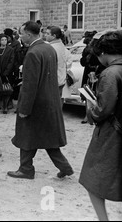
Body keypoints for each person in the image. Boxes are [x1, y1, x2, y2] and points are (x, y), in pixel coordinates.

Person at [7, 21, 74, 180]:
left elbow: (30, 85)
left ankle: (26, 169)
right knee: (47, 138)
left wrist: (24, 108)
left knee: (26, 136)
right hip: (49, 100)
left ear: (29, 35)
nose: (20, 36)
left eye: (21, 33)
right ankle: (64, 167)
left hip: (36, 103)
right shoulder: (48, 48)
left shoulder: (32, 53)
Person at [79, 30, 122, 221]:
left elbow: (102, 111)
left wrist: (90, 106)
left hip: (112, 134)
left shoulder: (111, 73)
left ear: (103, 53)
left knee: (93, 179)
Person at [45, 26, 72, 102]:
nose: (45, 35)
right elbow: (69, 62)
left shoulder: (51, 47)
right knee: (59, 101)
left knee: (53, 104)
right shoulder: (62, 46)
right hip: (61, 79)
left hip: (53, 80)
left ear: (54, 36)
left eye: (47, 33)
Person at [0, 33, 15, 114]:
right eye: (2, 40)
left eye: (5, 40)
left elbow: (11, 61)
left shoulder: (10, 50)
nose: (4, 41)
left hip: (7, 73)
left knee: (6, 89)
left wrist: (6, 72)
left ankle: (5, 106)